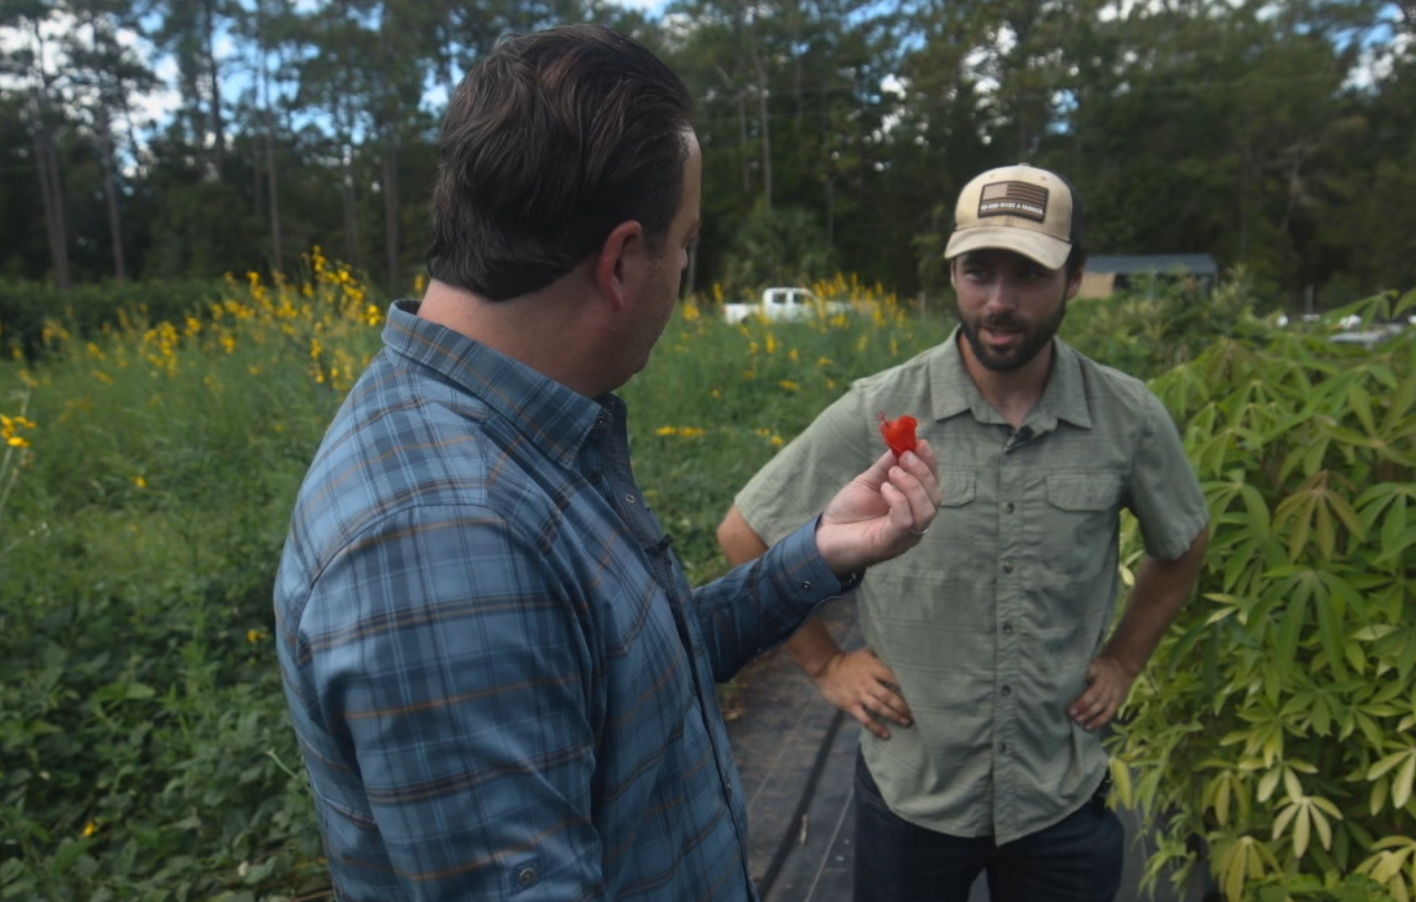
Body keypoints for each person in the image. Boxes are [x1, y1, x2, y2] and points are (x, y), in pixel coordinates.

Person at [273, 24, 941, 902]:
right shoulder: (447, 536)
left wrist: (815, 556)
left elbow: (627, 680)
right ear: (624, 260)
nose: (683, 271)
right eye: (686, 243)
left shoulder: (514, 440)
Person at [717, 163, 1209, 902]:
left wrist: (1124, 660)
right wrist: (824, 666)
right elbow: (744, 532)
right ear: (952, 271)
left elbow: (1183, 544)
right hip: (913, 790)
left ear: (1074, 276)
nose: (999, 303)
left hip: (1059, 793)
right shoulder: (881, 410)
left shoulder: (1126, 418)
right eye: (978, 272)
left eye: (1029, 275)